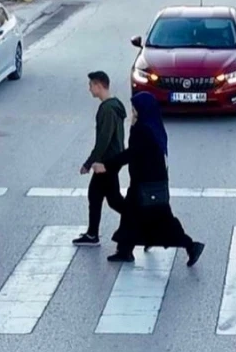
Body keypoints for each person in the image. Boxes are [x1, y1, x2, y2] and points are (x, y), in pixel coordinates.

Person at [93, 92, 205, 266]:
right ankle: (124, 251)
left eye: (135, 109)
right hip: (151, 182)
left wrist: (106, 165)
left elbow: (131, 153)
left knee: (162, 220)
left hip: (145, 184)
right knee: (131, 215)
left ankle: (191, 246)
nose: (133, 112)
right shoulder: (153, 126)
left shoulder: (142, 130)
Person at [74, 71, 127, 247]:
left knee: (107, 198)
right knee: (108, 197)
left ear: (98, 85)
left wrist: (90, 163)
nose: (89, 89)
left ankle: (140, 220)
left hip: (107, 162)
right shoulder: (114, 105)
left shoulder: (108, 109)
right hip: (112, 160)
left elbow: (104, 139)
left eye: (91, 85)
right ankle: (92, 233)